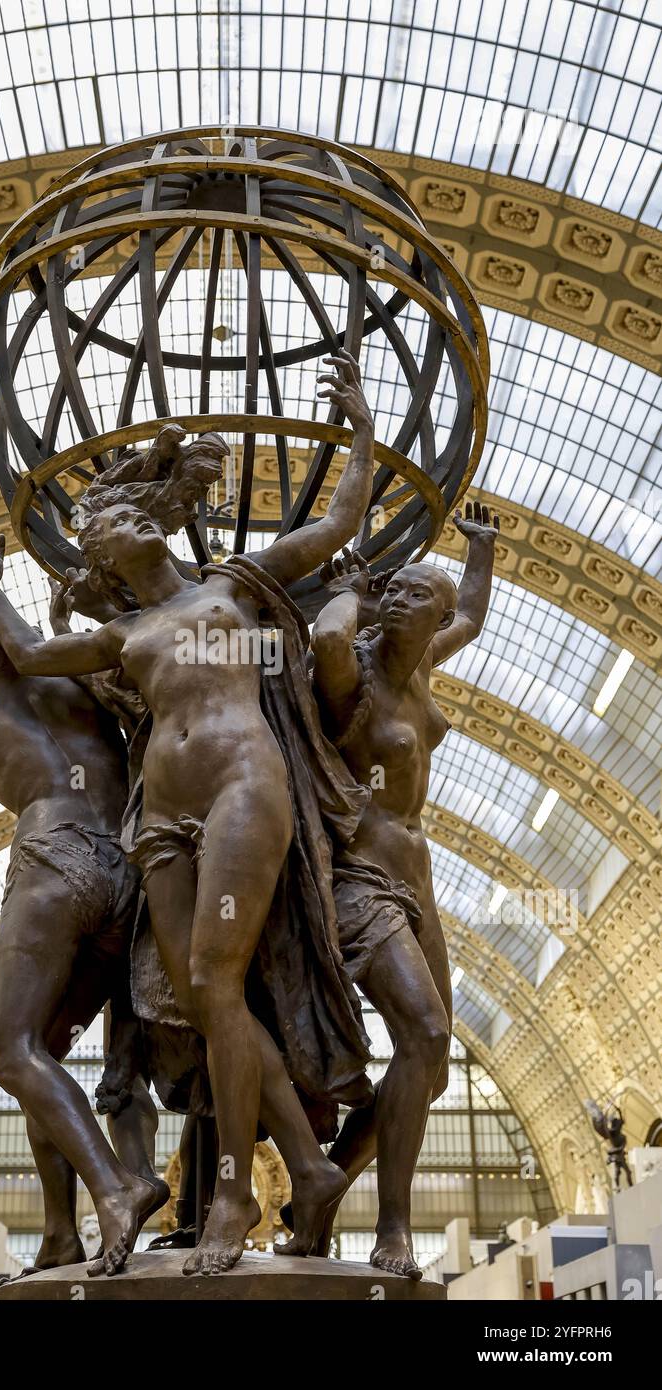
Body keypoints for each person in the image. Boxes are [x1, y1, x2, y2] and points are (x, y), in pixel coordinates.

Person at [0, 349, 378, 1276]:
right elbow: (26, 652)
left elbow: (342, 518)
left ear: (152, 526)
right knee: (195, 999)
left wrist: (359, 428)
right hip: (161, 820)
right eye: (97, 533)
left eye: (112, 522)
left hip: (240, 790)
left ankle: (236, 1186)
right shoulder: (119, 633)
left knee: (219, 985)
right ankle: (307, 1169)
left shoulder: (232, 583)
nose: (103, 536)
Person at [0, 576, 169, 1279]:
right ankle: (61, 1237)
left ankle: (115, 1187)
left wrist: (7, 620)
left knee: (13, 1054)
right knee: (44, 1061)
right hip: (126, 879)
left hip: (53, 866)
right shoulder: (88, 691)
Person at [298, 500, 499, 1277]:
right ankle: (392, 1229)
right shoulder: (357, 671)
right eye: (401, 592)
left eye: (422, 595)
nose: (405, 601)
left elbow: (473, 616)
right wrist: (351, 589)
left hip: (421, 888)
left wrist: (479, 547)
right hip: (361, 881)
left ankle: (322, 1189)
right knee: (425, 1035)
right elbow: (324, 636)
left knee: (435, 1062)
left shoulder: (422, 665)